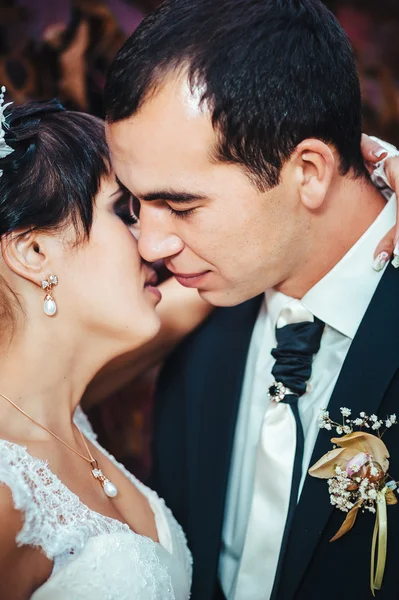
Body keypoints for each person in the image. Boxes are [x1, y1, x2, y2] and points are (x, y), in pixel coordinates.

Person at [104, 1, 399, 598]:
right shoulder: (193, 315)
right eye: (135, 203)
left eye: (182, 206)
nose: (152, 243)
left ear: (309, 171)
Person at [0, 96, 210, 599]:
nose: (153, 242)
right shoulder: (6, 490)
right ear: (33, 251)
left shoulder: (66, 418)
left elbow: (211, 286)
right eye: (125, 211)